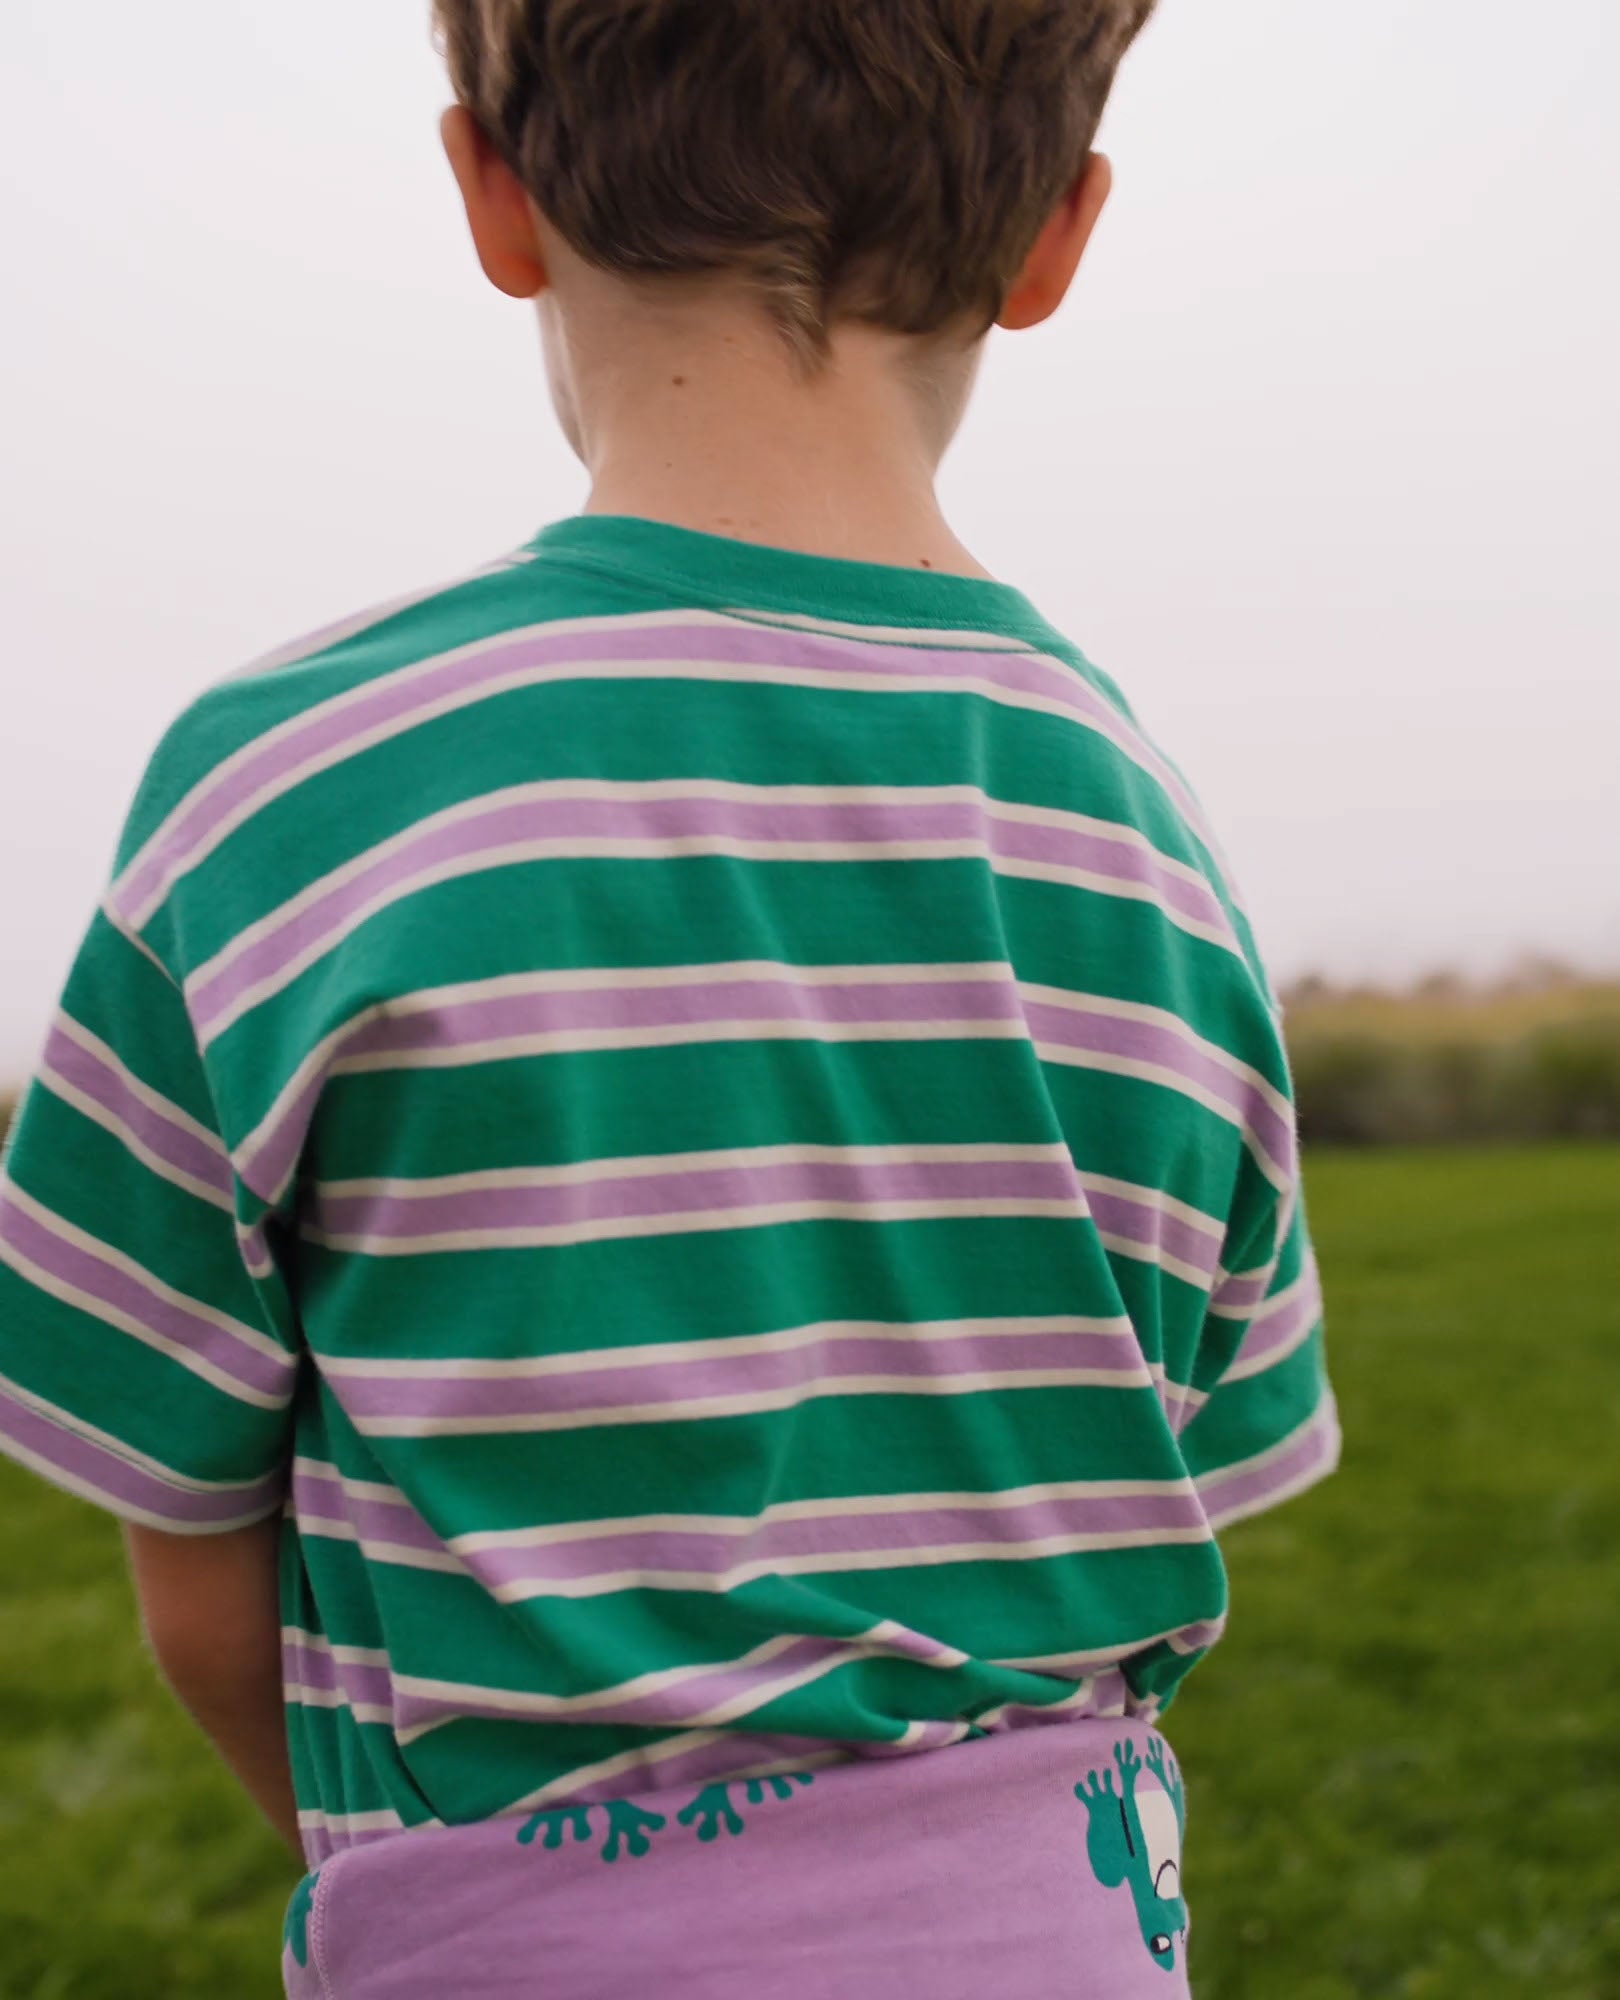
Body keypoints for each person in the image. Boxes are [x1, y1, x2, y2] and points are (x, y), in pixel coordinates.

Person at [0, 3, 1340, 1993]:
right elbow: (1181, 1481)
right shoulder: (1147, 840)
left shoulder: (287, 792)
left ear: (495, 191)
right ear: (1056, 236)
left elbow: (197, 1585)